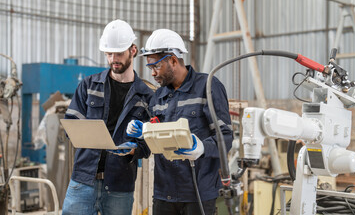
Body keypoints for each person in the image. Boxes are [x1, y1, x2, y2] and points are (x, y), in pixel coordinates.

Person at [127, 29, 233, 215]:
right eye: (150, 68)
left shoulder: (207, 87)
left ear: (173, 60)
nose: (152, 73)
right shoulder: (158, 96)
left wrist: (201, 147)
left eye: (155, 67)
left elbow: (226, 137)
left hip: (198, 193)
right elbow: (156, 142)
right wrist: (139, 139)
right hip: (164, 193)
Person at [62, 19, 153, 215]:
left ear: (133, 50)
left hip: (119, 184)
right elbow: (71, 124)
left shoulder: (147, 97)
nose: (113, 59)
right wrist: (82, 133)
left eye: (118, 53)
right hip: (83, 179)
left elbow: (149, 143)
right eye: (109, 54)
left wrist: (134, 150)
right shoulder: (89, 85)